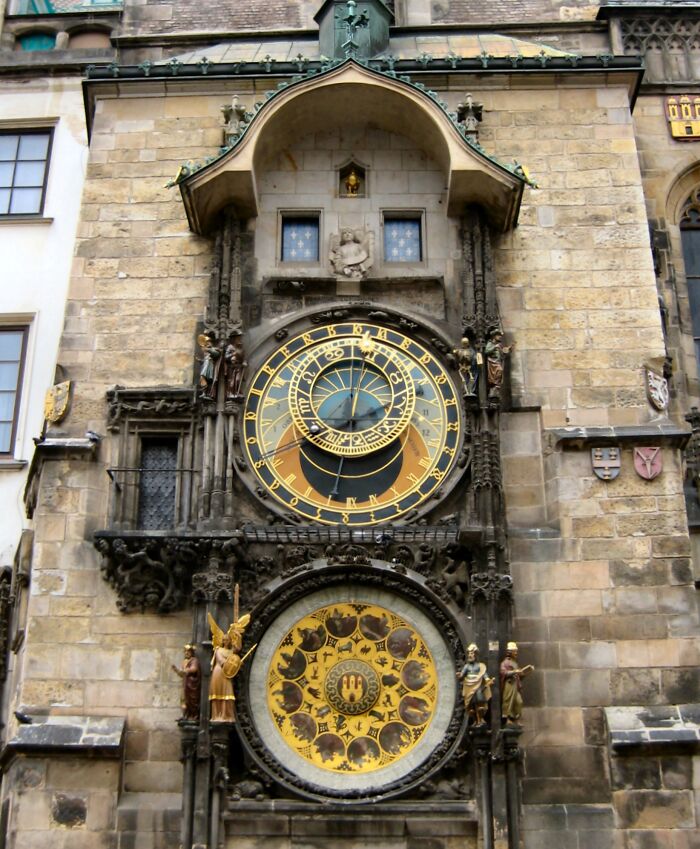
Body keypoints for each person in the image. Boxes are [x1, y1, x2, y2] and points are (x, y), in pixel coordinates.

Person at [207, 612, 251, 722]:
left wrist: (238, 636)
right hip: (219, 672)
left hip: (227, 674)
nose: (225, 641)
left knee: (228, 693)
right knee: (217, 693)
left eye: (227, 640)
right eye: (224, 640)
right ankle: (216, 715)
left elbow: (238, 649)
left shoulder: (231, 651)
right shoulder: (218, 650)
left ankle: (227, 715)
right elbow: (222, 662)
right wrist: (233, 663)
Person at [456, 643, 493, 726]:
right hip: (469, 686)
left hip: (478, 685)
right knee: (471, 704)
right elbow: (462, 675)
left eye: (472, 653)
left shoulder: (480, 666)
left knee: (480, 699)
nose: (470, 655)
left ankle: (481, 718)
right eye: (469, 653)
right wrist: (459, 675)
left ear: (475, 654)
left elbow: (484, 673)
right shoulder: (466, 666)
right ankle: (475, 720)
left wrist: (487, 680)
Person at [499, 641, 534, 725]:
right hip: (509, 684)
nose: (516, 653)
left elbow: (520, 675)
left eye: (516, 651)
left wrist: (526, 672)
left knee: (519, 701)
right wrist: (514, 671)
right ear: (510, 652)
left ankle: (516, 718)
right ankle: (507, 718)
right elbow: (503, 673)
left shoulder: (515, 663)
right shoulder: (505, 663)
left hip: (515, 684)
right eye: (515, 651)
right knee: (508, 700)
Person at [171, 644, 201, 721]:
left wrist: (185, 671)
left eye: (188, 651)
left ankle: (193, 715)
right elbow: (182, 674)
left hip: (191, 685)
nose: (187, 653)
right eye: (185, 651)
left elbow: (194, 669)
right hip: (185, 684)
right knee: (183, 699)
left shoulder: (194, 660)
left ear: (192, 652)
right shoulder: (184, 661)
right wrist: (176, 670)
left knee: (191, 700)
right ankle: (185, 715)